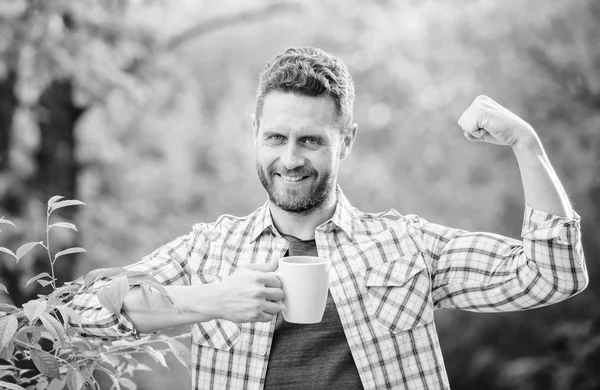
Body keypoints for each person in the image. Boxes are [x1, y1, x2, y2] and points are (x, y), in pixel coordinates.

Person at [69, 47, 588, 390]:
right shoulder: (210, 251)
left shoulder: (406, 245)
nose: (290, 158)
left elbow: (552, 276)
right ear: (255, 132)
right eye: (276, 137)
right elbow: (81, 318)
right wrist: (209, 300)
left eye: (312, 140)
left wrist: (527, 145)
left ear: (348, 141)